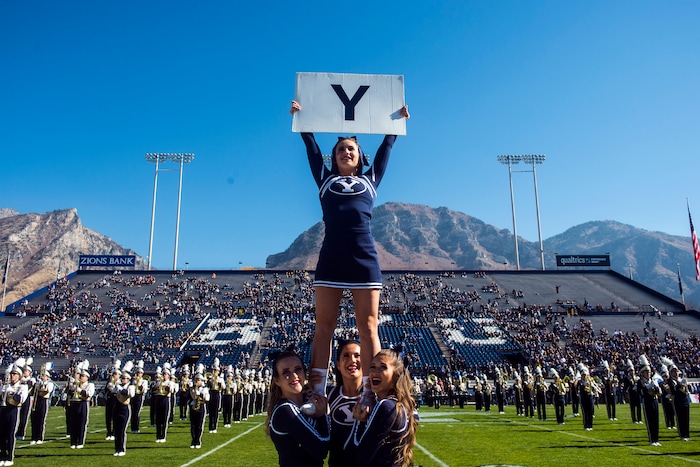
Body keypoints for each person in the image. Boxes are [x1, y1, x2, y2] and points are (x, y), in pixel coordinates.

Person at [290, 99, 410, 413]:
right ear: (334, 157)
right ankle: (317, 395)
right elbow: (310, 148)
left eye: (351, 149)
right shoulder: (324, 179)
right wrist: (302, 121)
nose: (346, 151)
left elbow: (386, 151)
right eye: (341, 148)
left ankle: (373, 394)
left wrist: (395, 127)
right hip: (331, 258)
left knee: (369, 326)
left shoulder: (370, 180)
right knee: (323, 327)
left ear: (359, 159)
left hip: (364, 258)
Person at [350, 349, 418, 467]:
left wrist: (359, 421)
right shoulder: (396, 405)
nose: (375, 372)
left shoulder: (386, 406)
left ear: (395, 376)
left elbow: (360, 457)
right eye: (372, 367)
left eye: (383, 367)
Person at [265, 349, 330, 467]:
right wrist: (321, 416)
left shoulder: (304, 404)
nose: (294, 376)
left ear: (305, 373)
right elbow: (321, 449)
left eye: (297, 369)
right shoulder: (285, 411)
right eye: (286, 372)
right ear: (277, 381)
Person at [327, 340, 363, 467]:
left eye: (357, 355)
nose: (352, 360)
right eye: (346, 356)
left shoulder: (374, 396)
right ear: (338, 364)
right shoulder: (328, 395)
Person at [1, 361, 29, 466]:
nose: (12, 376)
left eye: (14, 374)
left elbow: (20, 399)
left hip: (13, 410)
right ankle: (2, 455)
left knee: (10, 434)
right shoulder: (5, 386)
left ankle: (9, 457)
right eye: (11, 374)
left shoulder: (22, 387)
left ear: (19, 376)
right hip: (2, 410)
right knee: (1, 434)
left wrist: (10, 391)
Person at [66, 360, 95, 449]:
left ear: (87, 377)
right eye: (80, 375)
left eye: (82, 376)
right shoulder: (76, 384)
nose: (81, 377)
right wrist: (71, 385)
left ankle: (80, 441)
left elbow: (89, 394)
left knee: (81, 423)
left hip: (83, 403)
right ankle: (73, 441)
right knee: (73, 423)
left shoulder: (90, 385)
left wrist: (79, 390)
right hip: (74, 403)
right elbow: (69, 392)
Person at [112, 361, 135, 457]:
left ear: (129, 379)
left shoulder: (131, 386)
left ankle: (122, 449)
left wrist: (120, 389)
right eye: (122, 378)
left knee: (122, 430)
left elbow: (130, 394)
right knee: (116, 430)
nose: (123, 380)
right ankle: (117, 449)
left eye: (125, 378)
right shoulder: (118, 386)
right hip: (116, 408)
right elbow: (111, 393)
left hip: (125, 408)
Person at [637, 355, 661, 446]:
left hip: (655, 400)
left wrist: (656, 387)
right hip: (647, 402)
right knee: (650, 421)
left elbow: (659, 393)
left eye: (649, 372)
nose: (648, 374)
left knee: (656, 420)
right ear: (642, 373)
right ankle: (652, 440)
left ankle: (656, 439)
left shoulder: (653, 380)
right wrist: (647, 388)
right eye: (646, 372)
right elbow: (640, 392)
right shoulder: (640, 382)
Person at [30, 362, 55, 445]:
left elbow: (46, 390)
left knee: (41, 420)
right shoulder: (38, 382)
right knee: (34, 420)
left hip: (43, 401)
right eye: (42, 375)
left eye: (44, 376)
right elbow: (34, 391)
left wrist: (42, 383)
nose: (42, 377)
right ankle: (33, 437)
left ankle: (39, 437)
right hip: (36, 401)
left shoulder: (50, 384)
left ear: (47, 377)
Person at [665, 358, 691, 441]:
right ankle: (682, 435)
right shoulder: (670, 381)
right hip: (677, 400)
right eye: (673, 371)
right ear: (670, 372)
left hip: (685, 399)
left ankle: (687, 434)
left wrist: (683, 385)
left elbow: (686, 389)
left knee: (686, 418)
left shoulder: (680, 379)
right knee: (680, 418)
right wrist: (680, 385)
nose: (675, 373)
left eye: (676, 371)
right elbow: (673, 389)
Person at [151, 364, 176, 443]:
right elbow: (153, 391)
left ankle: (163, 436)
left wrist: (166, 386)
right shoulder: (158, 382)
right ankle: (158, 436)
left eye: (166, 374)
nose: (164, 375)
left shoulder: (170, 382)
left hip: (165, 399)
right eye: (163, 374)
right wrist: (155, 386)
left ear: (168, 375)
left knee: (164, 418)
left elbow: (171, 390)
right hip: (158, 399)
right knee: (158, 419)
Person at [189, 365, 210, 449]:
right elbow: (192, 396)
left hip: (201, 405)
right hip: (193, 406)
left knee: (199, 425)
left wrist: (201, 394)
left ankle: (198, 440)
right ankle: (193, 440)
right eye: (196, 380)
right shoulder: (192, 388)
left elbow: (207, 398)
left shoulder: (205, 389)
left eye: (199, 380)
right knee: (193, 425)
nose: (197, 381)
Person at [15, 358, 34, 441]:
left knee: (24, 416)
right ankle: (15, 432)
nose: (24, 372)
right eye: (24, 371)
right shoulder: (20, 379)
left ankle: (21, 433)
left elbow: (29, 386)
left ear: (29, 372)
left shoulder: (31, 379)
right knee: (17, 416)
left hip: (27, 398)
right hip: (18, 398)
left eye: (26, 371)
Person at [104, 360, 121, 441]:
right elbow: (106, 391)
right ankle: (108, 432)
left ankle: (114, 432)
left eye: (115, 374)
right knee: (108, 417)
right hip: (109, 400)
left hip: (117, 400)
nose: (114, 375)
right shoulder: (109, 381)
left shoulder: (120, 382)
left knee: (115, 417)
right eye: (113, 374)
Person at [622, 359, 642, 424]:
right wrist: (631, 388)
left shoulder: (637, 377)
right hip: (631, 393)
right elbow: (625, 387)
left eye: (633, 370)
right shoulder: (627, 378)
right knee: (633, 407)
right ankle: (634, 419)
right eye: (631, 371)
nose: (632, 372)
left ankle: (639, 419)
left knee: (639, 407)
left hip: (637, 393)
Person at [130, 361, 148, 433]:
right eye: (137, 373)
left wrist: (139, 384)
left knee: (137, 412)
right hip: (133, 396)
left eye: (140, 373)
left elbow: (144, 390)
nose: (138, 374)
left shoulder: (144, 381)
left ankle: (136, 428)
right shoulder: (133, 381)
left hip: (139, 396)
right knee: (132, 412)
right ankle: (132, 428)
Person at [207, 358, 224, 433]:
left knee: (216, 411)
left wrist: (219, 382)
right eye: (214, 370)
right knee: (211, 411)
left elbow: (223, 387)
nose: (214, 372)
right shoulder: (210, 378)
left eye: (216, 371)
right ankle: (210, 426)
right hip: (211, 393)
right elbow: (207, 386)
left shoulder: (220, 379)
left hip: (217, 393)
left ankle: (215, 426)